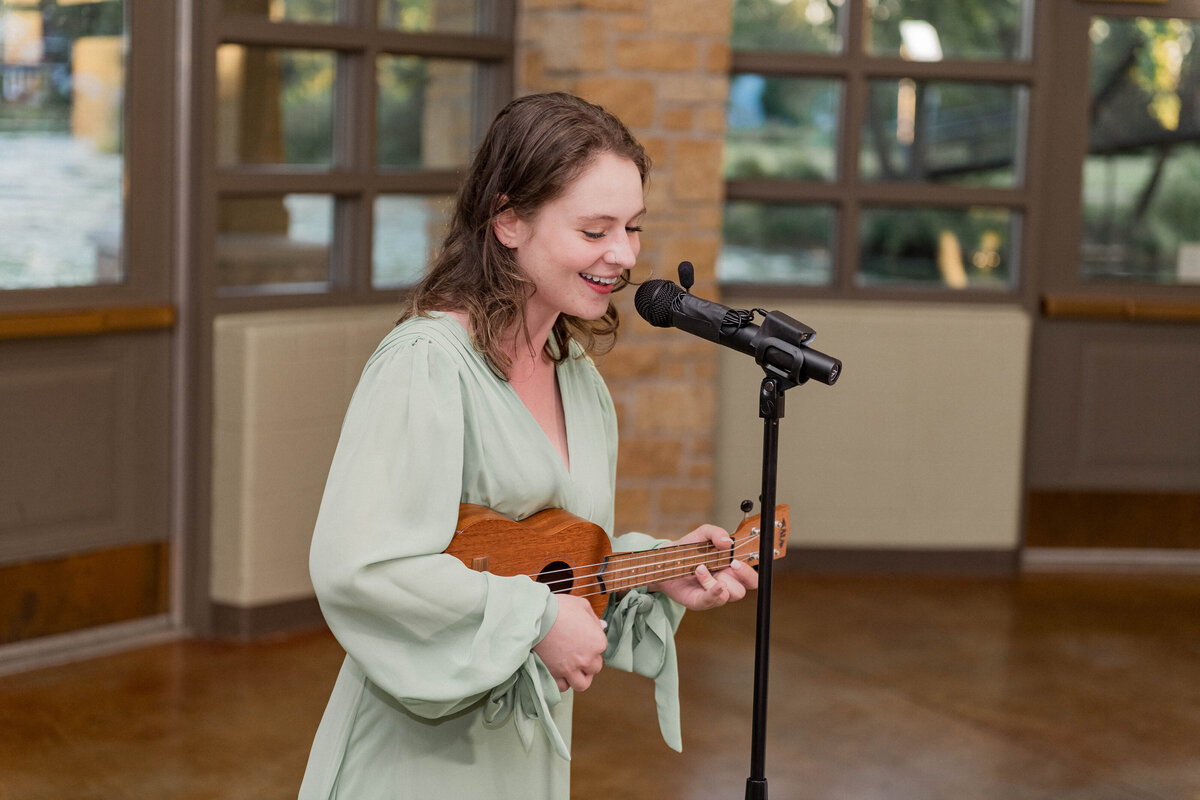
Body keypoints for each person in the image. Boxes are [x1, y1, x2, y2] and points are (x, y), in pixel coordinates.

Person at [298, 91, 758, 799]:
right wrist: (539, 618)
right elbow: (362, 566)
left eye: (632, 228)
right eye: (595, 230)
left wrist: (651, 572)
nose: (624, 256)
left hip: (525, 760)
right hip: (416, 769)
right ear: (508, 220)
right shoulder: (427, 364)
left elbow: (543, 557)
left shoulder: (578, 378)